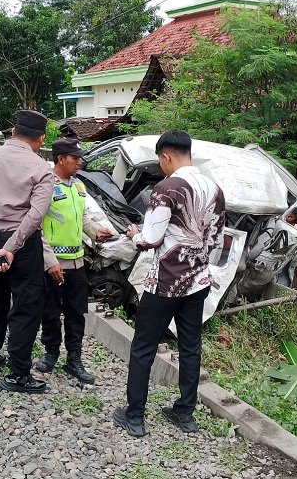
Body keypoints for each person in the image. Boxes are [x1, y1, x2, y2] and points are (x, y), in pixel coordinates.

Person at [113, 130, 225, 438]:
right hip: (198, 281)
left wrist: (133, 233)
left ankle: (134, 416)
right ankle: (185, 413)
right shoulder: (215, 188)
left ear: (166, 156)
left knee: (143, 348)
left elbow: (150, 240)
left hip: (164, 284)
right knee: (190, 347)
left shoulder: (167, 187)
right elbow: (215, 241)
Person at [0, 110, 55, 394]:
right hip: (21, 243)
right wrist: (11, 248)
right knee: (25, 306)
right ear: (40, 138)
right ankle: (18, 374)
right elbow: (36, 215)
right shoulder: (42, 168)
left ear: (12, 132)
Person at [35, 138, 115, 384]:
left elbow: (81, 218)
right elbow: (35, 226)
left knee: (76, 314)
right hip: (53, 264)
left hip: (77, 263)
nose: (80, 162)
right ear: (60, 159)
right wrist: (50, 261)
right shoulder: (45, 185)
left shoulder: (79, 187)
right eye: (75, 158)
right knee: (49, 312)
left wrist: (95, 231)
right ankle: (50, 352)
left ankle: (74, 359)